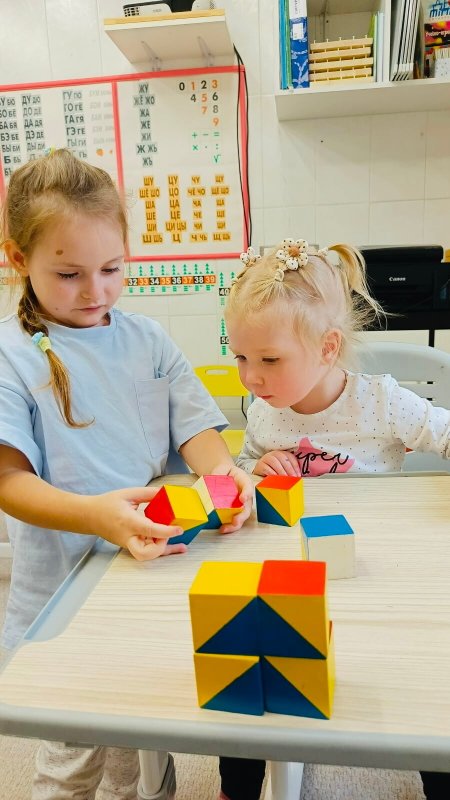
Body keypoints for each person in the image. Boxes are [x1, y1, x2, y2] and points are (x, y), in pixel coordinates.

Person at [0, 148, 253, 800]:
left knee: (144, 746)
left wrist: (224, 474)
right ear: (18, 258)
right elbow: (8, 482)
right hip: (62, 594)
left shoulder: (148, 339)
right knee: (71, 759)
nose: (95, 291)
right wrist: (98, 517)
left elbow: (196, 429)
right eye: (69, 274)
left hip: (150, 575)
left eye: (112, 269)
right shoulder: (10, 354)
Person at [216, 238, 450, 800]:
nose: (250, 378)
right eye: (240, 357)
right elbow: (244, 468)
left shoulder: (382, 401)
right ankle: (237, 785)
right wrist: (255, 467)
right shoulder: (265, 414)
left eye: (269, 360)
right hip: (292, 569)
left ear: (327, 348)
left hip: (377, 571)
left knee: (422, 673)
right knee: (245, 650)